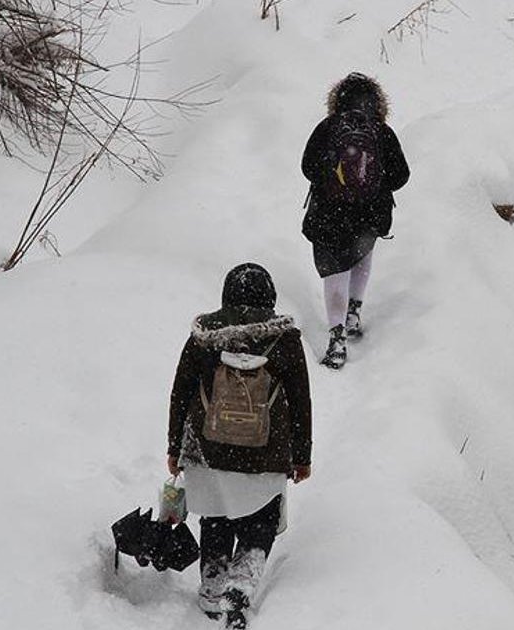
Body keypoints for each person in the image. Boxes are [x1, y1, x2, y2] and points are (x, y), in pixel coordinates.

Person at [167, 263, 313, 629]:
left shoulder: (204, 337)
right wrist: (302, 456)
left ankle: (213, 585)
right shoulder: (286, 340)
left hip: (208, 448)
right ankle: (241, 584)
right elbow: (300, 400)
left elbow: (181, 392)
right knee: (260, 519)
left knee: (215, 515)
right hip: (266, 451)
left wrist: (174, 447)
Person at [301, 72, 410, 369]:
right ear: (377, 103)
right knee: (361, 252)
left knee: (334, 271)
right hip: (368, 215)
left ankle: (336, 338)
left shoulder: (328, 127)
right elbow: (401, 175)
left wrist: (333, 182)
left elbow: (307, 167)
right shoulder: (381, 131)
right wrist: (372, 185)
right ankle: (354, 312)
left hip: (328, 215)